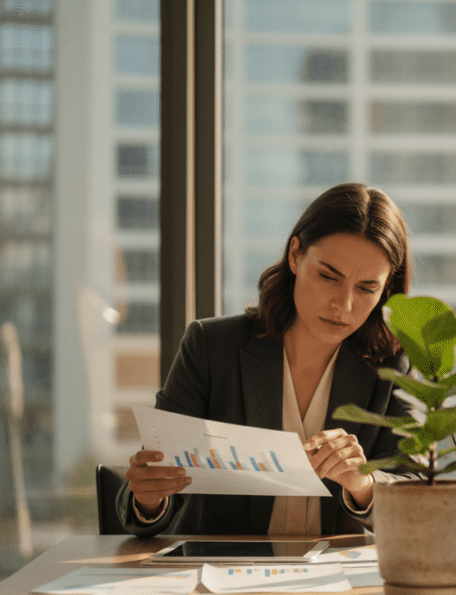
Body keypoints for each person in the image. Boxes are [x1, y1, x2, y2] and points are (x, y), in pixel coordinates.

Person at [116, 182, 414, 536]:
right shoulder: (211, 347)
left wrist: (363, 486)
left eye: (367, 288)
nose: (343, 305)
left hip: (338, 583)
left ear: (386, 291)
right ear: (295, 255)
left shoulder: (392, 367)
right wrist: (150, 498)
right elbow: (149, 494)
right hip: (223, 578)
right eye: (328, 276)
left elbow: (416, 499)